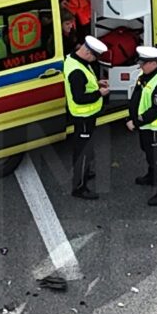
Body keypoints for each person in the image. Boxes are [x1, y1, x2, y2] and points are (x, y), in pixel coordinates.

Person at [126, 46, 157, 206]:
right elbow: (138, 94)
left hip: (154, 127)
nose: (140, 66)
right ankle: (152, 176)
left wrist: (136, 122)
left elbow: (155, 111)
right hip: (145, 126)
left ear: (154, 63)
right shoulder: (147, 73)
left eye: (144, 63)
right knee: (148, 152)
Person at [64, 35, 110, 200]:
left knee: (83, 147)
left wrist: (96, 84)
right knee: (83, 150)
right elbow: (79, 98)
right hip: (83, 115)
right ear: (89, 53)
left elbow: (85, 83)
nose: (94, 61)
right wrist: (99, 93)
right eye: (94, 57)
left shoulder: (74, 60)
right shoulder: (77, 72)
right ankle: (79, 187)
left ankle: (84, 172)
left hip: (86, 115)